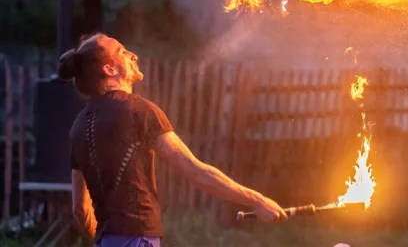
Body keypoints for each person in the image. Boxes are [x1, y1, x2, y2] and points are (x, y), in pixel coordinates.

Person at [58, 33, 288, 247]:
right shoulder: (138, 110)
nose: (132, 55)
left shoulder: (78, 126)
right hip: (138, 239)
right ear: (109, 68)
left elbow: (80, 209)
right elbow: (195, 171)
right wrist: (257, 200)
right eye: (122, 51)